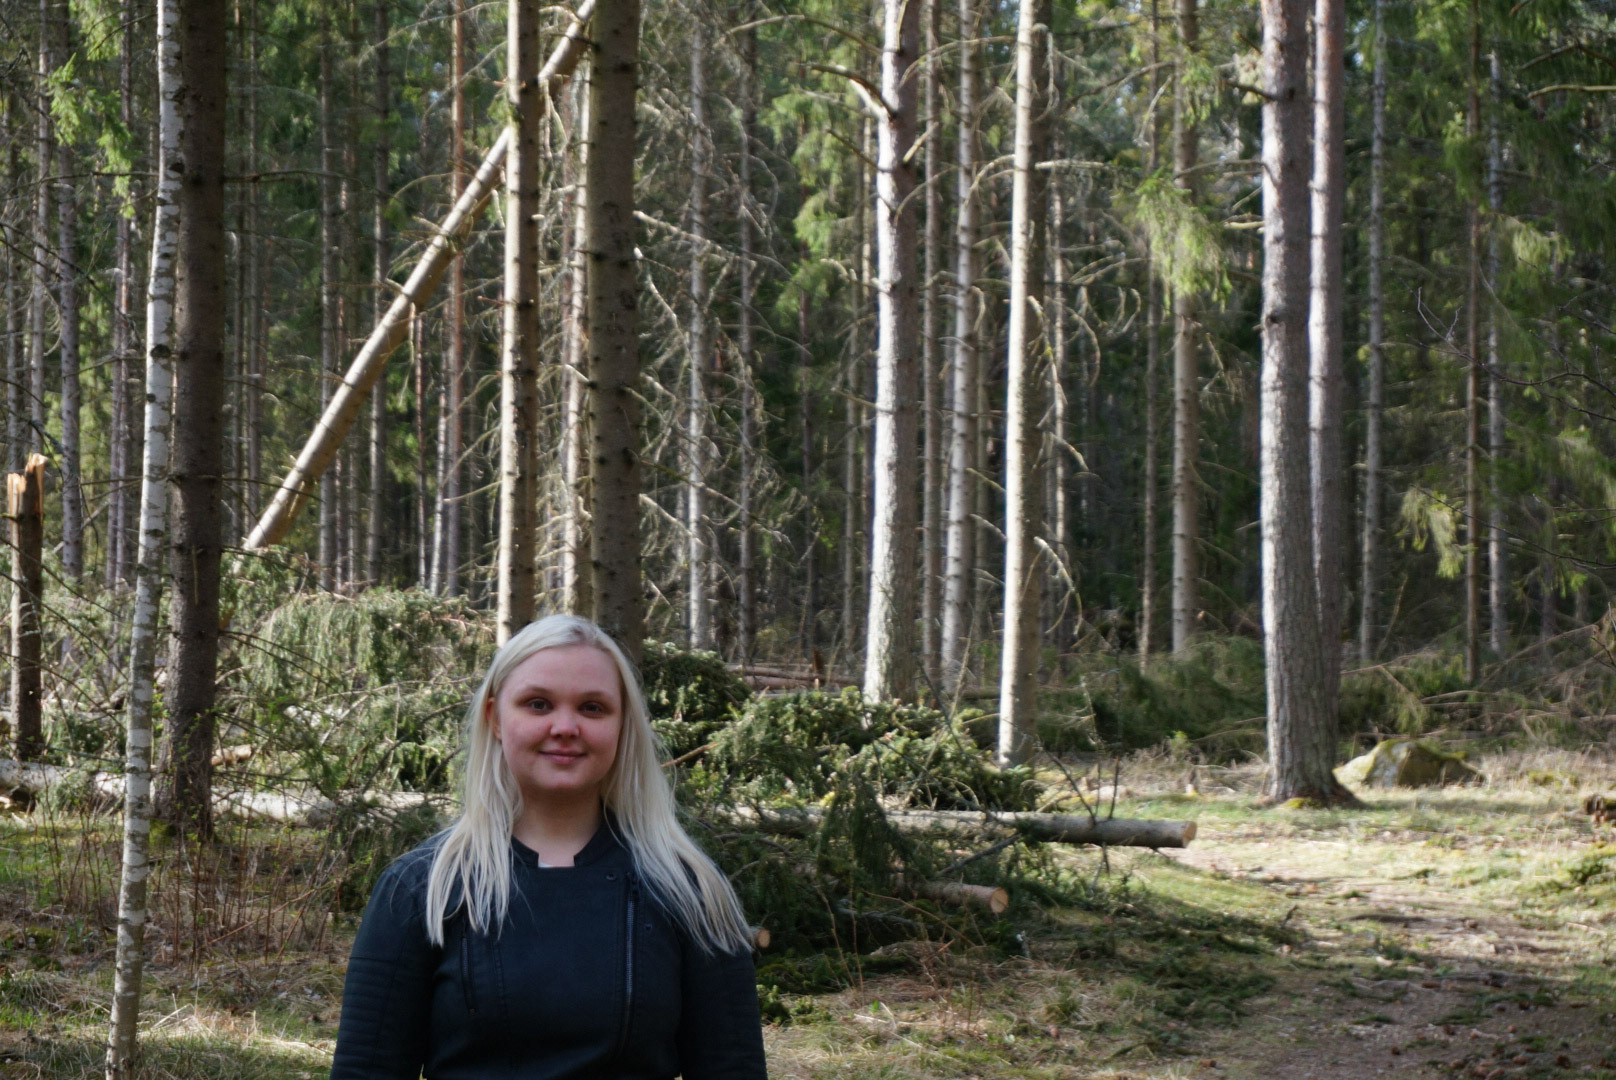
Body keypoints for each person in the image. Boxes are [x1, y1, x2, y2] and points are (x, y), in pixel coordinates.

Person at [331, 614, 767, 1079]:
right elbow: (365, 1071)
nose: (565, 726)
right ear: (495, 718)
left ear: (623, 726)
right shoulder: (422, 889)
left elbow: (733, 1070)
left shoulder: (689, 891)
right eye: (538, 704)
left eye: (592, 708)